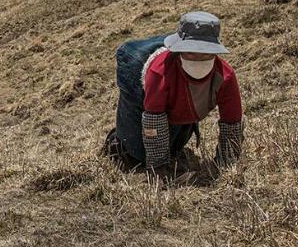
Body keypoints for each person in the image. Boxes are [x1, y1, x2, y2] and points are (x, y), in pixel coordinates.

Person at [104, 12, 244, 178]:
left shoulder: (225, 77)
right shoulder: (160, 72)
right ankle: (116, 142)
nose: (198, 58)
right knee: (136, 155)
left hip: (185, 106)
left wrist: (226, 165)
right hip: (143, 97)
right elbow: (154, 119)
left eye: (205, 53)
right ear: (180, 51)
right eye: (191, 52)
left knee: (175, 148)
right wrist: (159, 168)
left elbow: (232, 122)